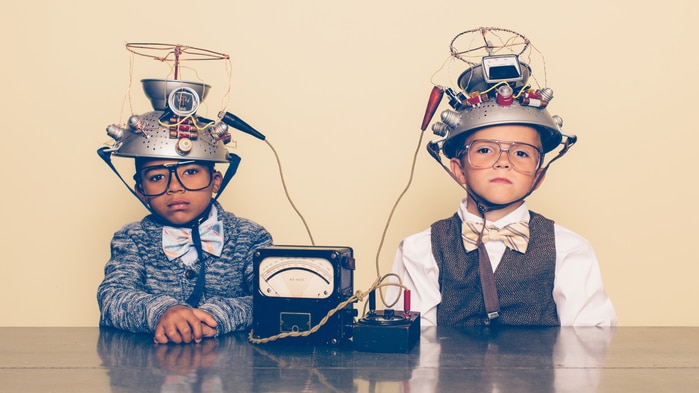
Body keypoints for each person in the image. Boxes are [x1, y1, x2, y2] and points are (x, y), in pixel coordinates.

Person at [390, 29, 617, 327]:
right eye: (485, 150)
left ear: (539, 175)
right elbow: (415, 349)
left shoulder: (569, 249)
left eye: (521, 154)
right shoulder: (419, 251)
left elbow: (588, 347)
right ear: (458, 169)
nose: (503, 163)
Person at [97, 80, 272, 344]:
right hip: (152, 373)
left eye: (190, 173)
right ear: (140, 190)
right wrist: (162, 312)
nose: (175, 188)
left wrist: (216, 316)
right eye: (157, 178)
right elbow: (113, 297)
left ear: (216, 181)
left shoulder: (251, 237)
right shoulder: (132, 238)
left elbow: (270, 300)